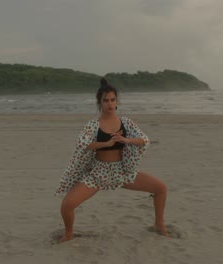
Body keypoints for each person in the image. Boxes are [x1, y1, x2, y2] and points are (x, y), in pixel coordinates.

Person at [54, 78, 168, 243]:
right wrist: (106, 143)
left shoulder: (126, 122)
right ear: (99, 103)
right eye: (105, 100)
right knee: (66, 206)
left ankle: (159, 224)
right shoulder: (93, 125)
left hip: (121, 172)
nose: (109, 104)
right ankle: (69, 233)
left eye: (112, 100)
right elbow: (83, 144)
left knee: (161, 189)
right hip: (98, 174)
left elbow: (144, 139)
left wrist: (126, 140)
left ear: (117, 101)